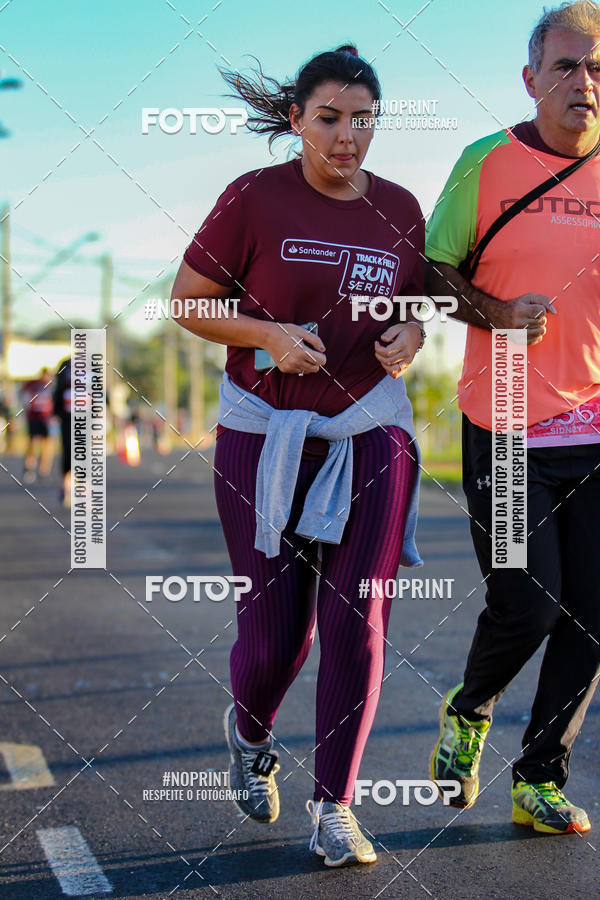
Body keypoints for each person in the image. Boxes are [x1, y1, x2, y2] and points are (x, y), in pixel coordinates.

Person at [172, 45, 425, 866]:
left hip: (371, 433)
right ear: (296, 119)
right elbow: (186, 300)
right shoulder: (255, 197)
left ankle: (336, 806)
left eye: (363, 120)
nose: (347, 137)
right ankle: (250, 733)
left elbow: (414, 303)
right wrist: (267, 336)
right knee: (279, 639)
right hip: (264, 434)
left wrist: (413, 331)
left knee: (359, 619)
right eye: (330, 119)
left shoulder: (400, 208)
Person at [426, 1, 600, 835]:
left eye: (597, 66)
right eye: (566, 66)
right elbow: (431, 272)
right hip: (503, 421)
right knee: (528, 602)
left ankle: (539, 776)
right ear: (530, 79)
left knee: (594, 611)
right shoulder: (484, 163)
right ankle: (470, 708)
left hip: (598, 430)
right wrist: (493, 309)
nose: (584, 82)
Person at [21, 367, 54, 483]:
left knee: (48, 443)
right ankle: (29, 466)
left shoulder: (52, 386)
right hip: (34, 417)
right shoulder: (33, 385)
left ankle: (44, 470)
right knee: (33, 441)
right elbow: (26, 399)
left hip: (47, 419)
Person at [53, 358, 72, 507]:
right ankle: (65, 487)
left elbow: (99, 391)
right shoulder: (66, 365)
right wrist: (55, 413)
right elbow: (58, 389)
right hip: (67, 418)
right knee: (68, 452)